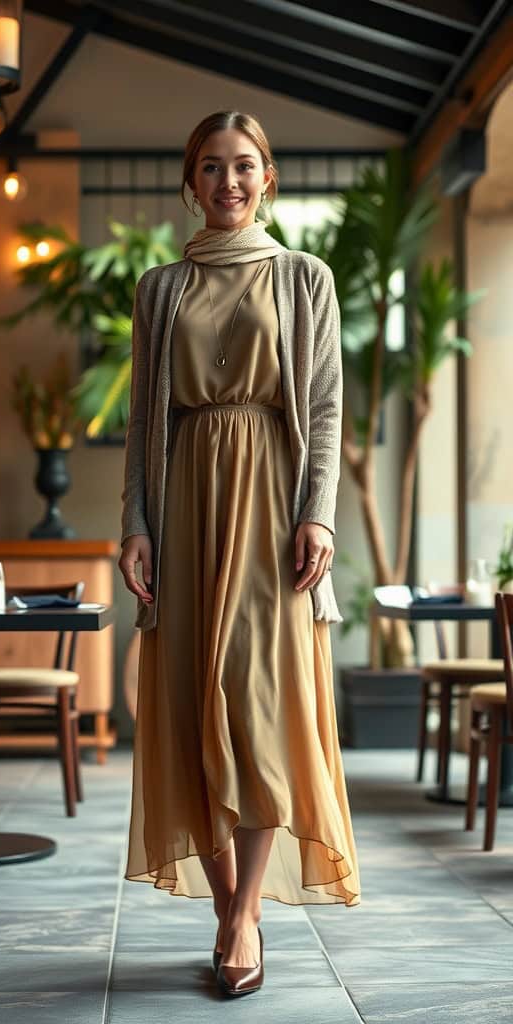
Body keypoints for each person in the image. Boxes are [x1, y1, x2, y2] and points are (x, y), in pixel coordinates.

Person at [118, 109, 360, 998]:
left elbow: (326, 407)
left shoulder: (306, 278)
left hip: (271, 515)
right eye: (212, 168)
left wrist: (321, 515)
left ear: (269, 179)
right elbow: (147, 419)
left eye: (244, 166)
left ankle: (245, 913)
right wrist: (135, 524)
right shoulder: (158, 288)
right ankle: (230, 908)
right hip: (184, 510)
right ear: (192, 181)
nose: (228, 182)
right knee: (189, 709)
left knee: (258, 709)